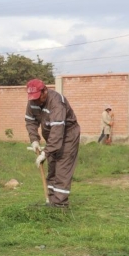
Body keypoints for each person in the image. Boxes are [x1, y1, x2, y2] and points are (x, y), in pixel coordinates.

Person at [25, 79, 81, 208]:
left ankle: (60, 205)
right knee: (52, 168)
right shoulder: (33, 101)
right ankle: (51, 201)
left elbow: (57, 130)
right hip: (52, 136)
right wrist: (34, 140)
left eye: (38, 97)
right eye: (33, 98)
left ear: (45, 91)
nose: (35, 101)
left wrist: (45, 152)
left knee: (62, 168)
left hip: (67, 135)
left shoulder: (56, 103)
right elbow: (30, 121)